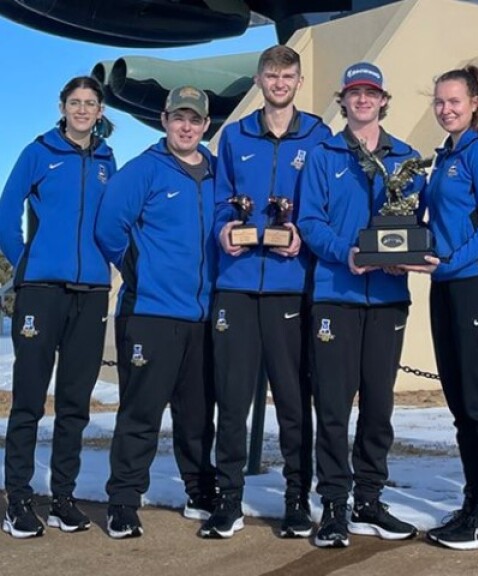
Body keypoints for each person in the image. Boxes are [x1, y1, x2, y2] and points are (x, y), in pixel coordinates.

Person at [203, 45, 331, 539]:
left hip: (290, 286)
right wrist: (223, 232)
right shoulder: (233, 136)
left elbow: (320, 202)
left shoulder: (319, 136)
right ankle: (227, 499)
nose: (279, 82)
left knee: (295, 402)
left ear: (299, 81)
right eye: (271, 75)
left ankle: (297, 499)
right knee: (232, 400)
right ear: (259, 80)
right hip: (235, 285)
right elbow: (220, 201)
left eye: (288, 75)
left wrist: (301, 233)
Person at [298, 62, 421, 548]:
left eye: (371, 93)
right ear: (342, 99)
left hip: (388, 298)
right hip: (336, 294)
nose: (363, 101)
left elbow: (413, 218)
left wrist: (402, 259)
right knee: (332, 406)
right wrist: (346, 253)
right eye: (355, 93)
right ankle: (332, 504)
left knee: (379, 404)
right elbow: (309, 221)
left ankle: (369, 498)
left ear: (383, 99)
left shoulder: (407, 158)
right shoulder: (322, 154)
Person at [401, 65, 478, 550]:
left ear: (475, 103)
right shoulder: (444, 157)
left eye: (455, 101)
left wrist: (450, 259)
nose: (446, 109)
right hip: (447, 286)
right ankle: (474, 504)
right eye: (440, 102)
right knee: (461, 404)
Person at [95, 86, 218, 539]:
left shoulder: (217, 172)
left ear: (206, 125)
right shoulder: (144, 170)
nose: (186, 127)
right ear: (164, 120)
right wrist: (138, 267)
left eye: (195, 119)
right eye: (178, 118)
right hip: (150, 311)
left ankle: (200, 490)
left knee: (197, 413)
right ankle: (124, 500)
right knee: (141, 412)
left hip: (202, 316)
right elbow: (110, 227)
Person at [0, 76, 116, 538]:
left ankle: (63, 499)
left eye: (90, 103)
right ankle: (18, 500)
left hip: (90, 294)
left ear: (100, 111)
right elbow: (7, 211)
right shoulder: (39, 152)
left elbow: (113, 220)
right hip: (42, 292)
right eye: (75, 103)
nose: (83, 110)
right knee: (28, 400)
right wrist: (27, 258)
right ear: (62, 107)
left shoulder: (107, 160)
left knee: (74, 404)